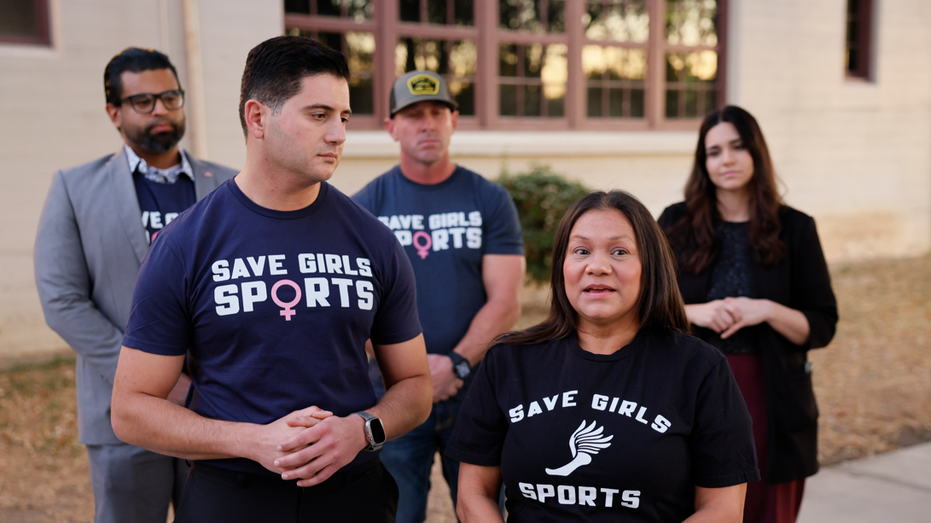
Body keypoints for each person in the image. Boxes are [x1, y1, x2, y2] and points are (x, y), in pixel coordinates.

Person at [109, 36, 433, 522]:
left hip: (353, 494)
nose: (339, 134)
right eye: (318, 115)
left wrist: (363, 429)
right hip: (233, 494)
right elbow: (131, 410)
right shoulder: (185, 245)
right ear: (257, 118)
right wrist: (254, 440)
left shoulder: (374, 241)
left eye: (343, 117)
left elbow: (414, 384)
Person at [447, 190, 760, 522]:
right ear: (562, 267)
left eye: (619, 251)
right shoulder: (508, 361)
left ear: (649, 267)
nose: (597, 266)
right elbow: (472, 494)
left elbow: (723, 510)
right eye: (581, 251)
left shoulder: (700, 369)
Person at [33, 47, 237, 523]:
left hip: (218, 410)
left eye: (170, 97)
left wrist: (196, 388)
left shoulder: (231, 186)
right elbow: (62, 301)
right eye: (144, 101)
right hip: (119, 417)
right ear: (114, 112)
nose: (161, 109)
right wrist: (153, 383)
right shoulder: (74, 188)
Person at [353, 70, 525, 522]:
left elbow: (505, 300)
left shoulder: (489, 199)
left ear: (454, 120)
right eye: (413, 115)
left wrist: (457, 363)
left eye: (436, 112)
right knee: (396, 513)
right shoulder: (366, 206)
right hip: (392, 395)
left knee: (485, 510)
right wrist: (412, 377)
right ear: (391, 127)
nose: (426, 124)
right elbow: (353, 307)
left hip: (475, 392)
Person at [658, 105, 838, 523]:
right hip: (689, 385)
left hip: (769, 392)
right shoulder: (675, 223)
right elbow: (643, 303)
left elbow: (823, 324)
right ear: (703, 162)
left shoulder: (796, 228)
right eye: (714, 151)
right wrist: (696, 313)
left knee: (761, 506)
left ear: (756, 152)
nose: (727, 160)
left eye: (738, 147)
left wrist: (767, 310)